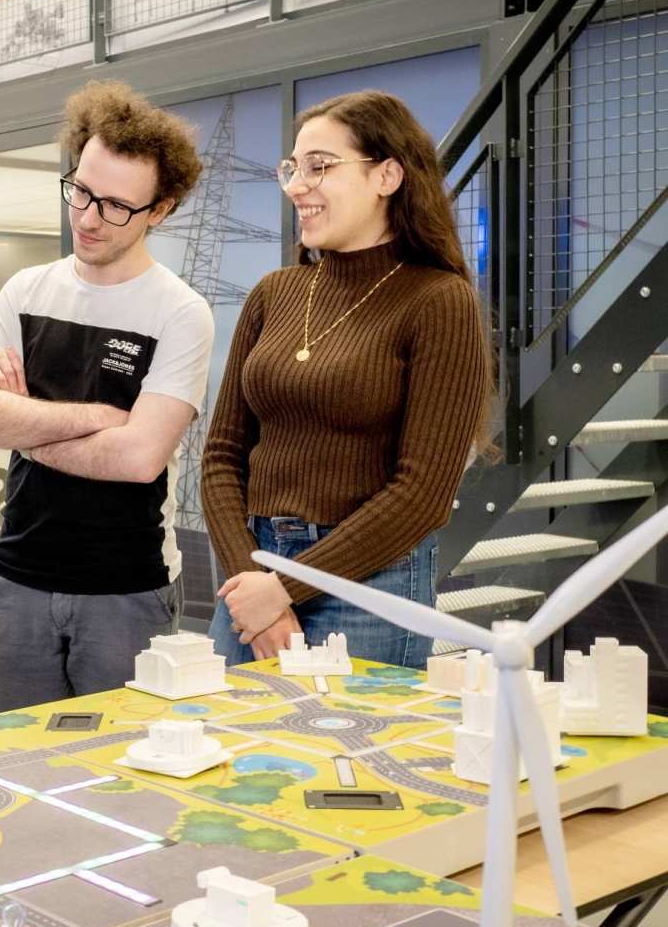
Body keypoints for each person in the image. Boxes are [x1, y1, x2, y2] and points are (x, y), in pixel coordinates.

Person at [202, 90, 489, 669]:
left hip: (371, 583)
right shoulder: (273, 293)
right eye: (293, 168)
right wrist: (251, 577)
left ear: (387, 175)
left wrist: (285, 589)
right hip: (254, 567)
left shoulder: (438, 300)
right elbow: (221, 456)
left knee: (349, 756)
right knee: (238, 752)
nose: (296, 186)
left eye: (320, 167)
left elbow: (422, 494)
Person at [0, 80, 214, 712]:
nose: (89, 218)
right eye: (81, 191)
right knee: (19, 774)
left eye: (118, 206)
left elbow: (137, 460)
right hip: (16, 581)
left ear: (161, 209)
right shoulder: (25, 290)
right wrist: (94, 420)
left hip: (125, 593)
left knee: (122, 781)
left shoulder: (181, 313)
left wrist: (25, 425)